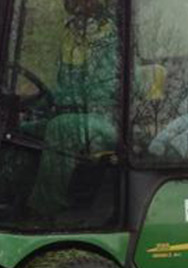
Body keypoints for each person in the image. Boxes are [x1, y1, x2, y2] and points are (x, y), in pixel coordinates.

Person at [27, 0, 119, 219]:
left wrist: (61, 99)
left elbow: (105, 91)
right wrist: (32, 102)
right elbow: (62, 86)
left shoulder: (112, 38)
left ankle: (44, 214)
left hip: (107, 119)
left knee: (60, 129)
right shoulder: (70, 35)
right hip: (73, 115)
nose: (77, 6)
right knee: (18, 131)